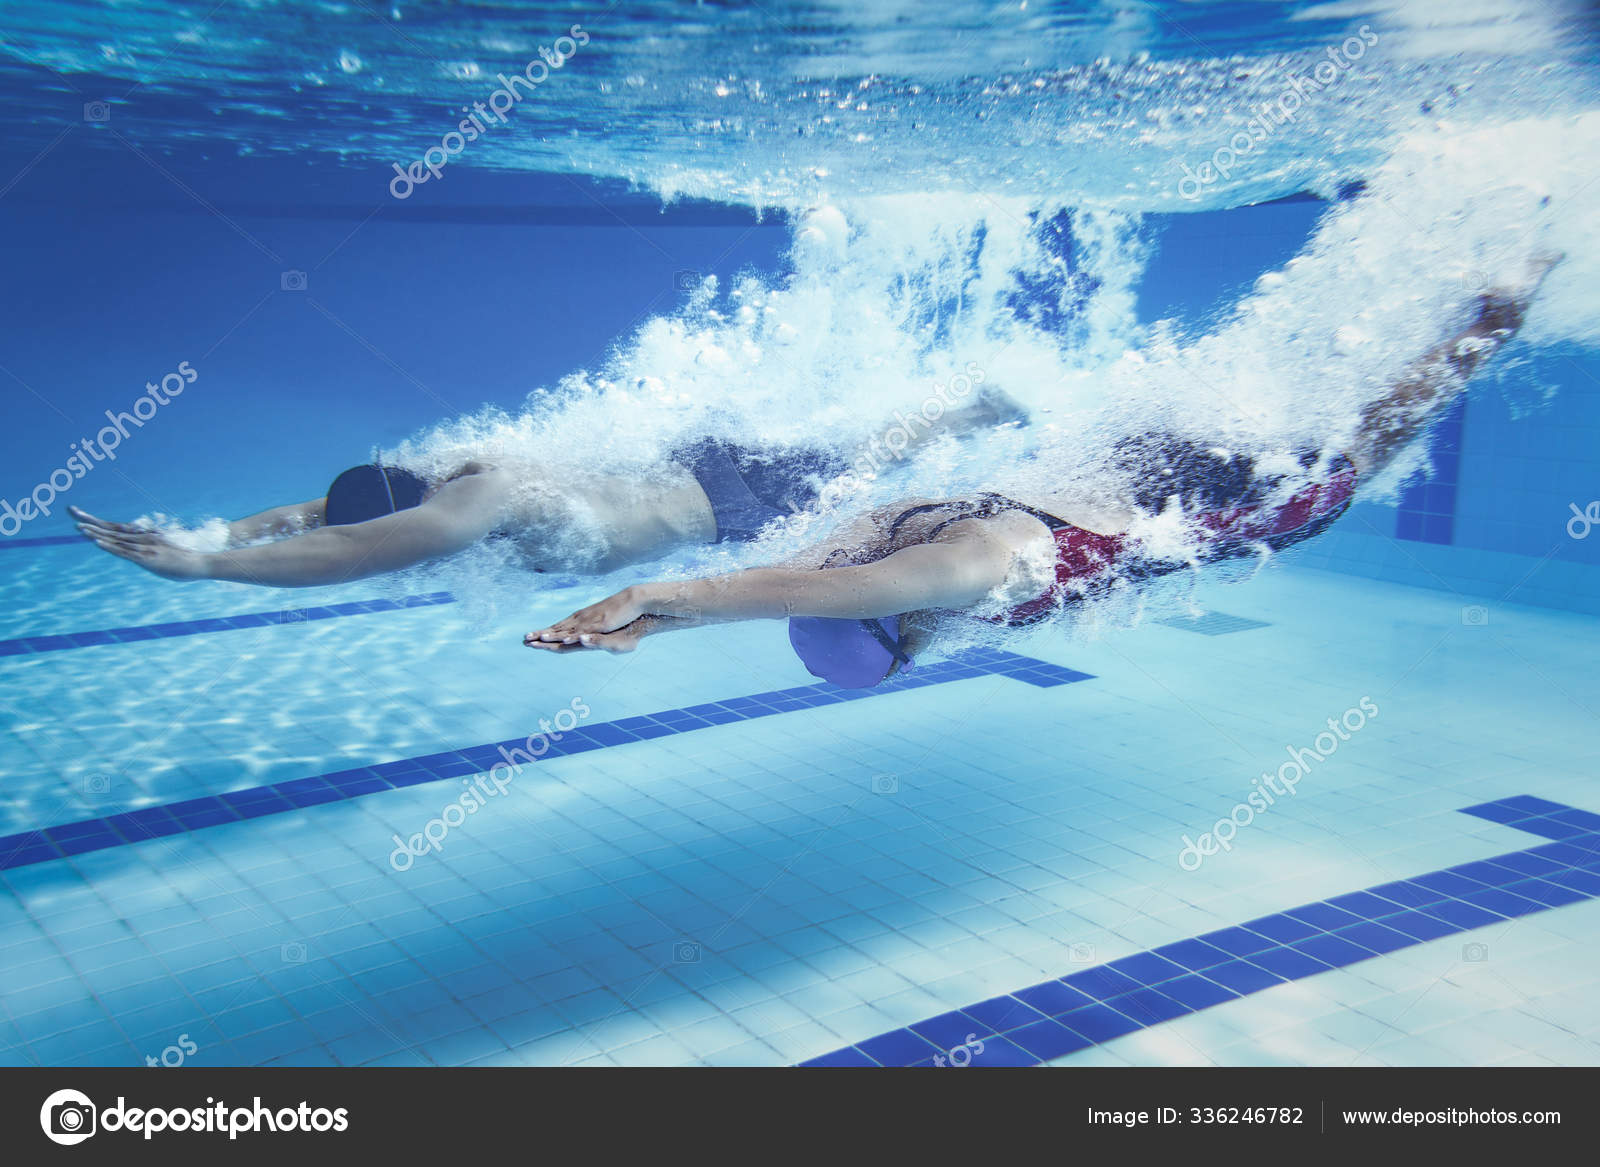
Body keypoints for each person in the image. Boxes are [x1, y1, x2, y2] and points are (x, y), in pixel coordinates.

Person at [526, 254, 1561, 687]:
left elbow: (827, 588)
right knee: (1323, 396)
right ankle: (1452, 293)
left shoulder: (970, 575)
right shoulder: (884, 529)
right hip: (1159, 454)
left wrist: (661, 594)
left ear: (896, 636)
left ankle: (1494, 313)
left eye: (899, 656)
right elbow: (808, 577)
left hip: (1237, 502)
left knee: (1379, 423)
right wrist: (665, 620)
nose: (916, 656)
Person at [69, 389, 1027, 588]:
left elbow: (356, 545)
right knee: (876, 432)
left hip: (728, 501)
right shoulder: (450, 474)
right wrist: (211, 530)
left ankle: (990, 411)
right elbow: (321, 515)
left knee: (878, 454)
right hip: (699, 462)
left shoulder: (472, 502)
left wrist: (207, 572)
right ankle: (981, 401)